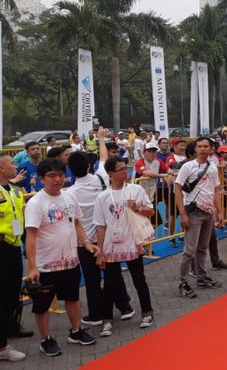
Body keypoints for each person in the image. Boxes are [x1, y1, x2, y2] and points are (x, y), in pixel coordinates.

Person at [24, 158, 100, 357]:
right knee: (42, 306)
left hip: (70, 261)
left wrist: (87, 243)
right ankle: (45, 340)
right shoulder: (35, 203)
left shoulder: (69, 197)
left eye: (60, 175)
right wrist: (32, 266)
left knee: (73, 298)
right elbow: (30, 237)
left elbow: (76, 224)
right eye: (51, 176)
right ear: (41, 179)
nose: (57, 179)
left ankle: (76, 332)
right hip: (46, 265)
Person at [68, 149, 133, 328]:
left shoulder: (70, 193)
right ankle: (125, 307)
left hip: (86, 242)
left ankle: (96, 313)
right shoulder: (100, 178)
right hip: (107, 236)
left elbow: (74, 220)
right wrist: (102, 139)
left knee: (92, 279)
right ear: (89, 165)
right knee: (113, 274)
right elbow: (104, 159)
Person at [94, 157, 155, 337]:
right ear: (111, 173)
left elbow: (150, 211)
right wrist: (100, 252)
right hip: (111, 247)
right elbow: (100, 226)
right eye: (120, 169)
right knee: (110, 285)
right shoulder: (103, 197)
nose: (125, 172)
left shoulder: (136, 190)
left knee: (139, 279)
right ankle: (106, 320)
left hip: (132, 243)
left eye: (125, 168)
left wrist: (137, 208)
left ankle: (147, 312)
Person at [175, 137, 225, 298]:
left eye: (206, 146)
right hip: (193, 213)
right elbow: (177, 189)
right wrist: (183, 214)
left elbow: (216, 190)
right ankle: (183, 283)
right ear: (195, 149)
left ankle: (202, 277)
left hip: (208, 213)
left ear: (211, 149)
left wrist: (220, 213)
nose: (203, 149)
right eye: (200, 146)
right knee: (189, 251)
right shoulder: (187, 167)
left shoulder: (212, 167)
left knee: (202, 249)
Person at [0, 154, 28, 362]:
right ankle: (2, 348)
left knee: (11, 294)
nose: (15, 166)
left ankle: (9, 327)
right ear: (2, 169)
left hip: (15, 246)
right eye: (11, 163)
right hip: (2, 247)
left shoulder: (14, 190)